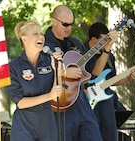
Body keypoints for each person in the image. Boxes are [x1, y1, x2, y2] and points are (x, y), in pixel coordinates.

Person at [44, 5, 103, 141]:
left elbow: (92, 74)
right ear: (53, 21)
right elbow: (40, 74)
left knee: (94, 136)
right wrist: (64, 72)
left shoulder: (75, 43)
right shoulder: (43, 44)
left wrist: (106, 49)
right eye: (65, 24)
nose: (68, 28)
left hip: (80, 101)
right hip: (58, 102)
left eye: (71, 24)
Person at [4, 19, 65, 141]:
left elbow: (57, 91)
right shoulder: (13, 67)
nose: (41, 37)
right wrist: (49, 96)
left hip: (47, 123)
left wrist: (58, 72)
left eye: (41, 34)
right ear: (24, 38)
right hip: (24, 125)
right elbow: (20, 103)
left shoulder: (49, 61)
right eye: (35, 34)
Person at [84, 22, 135, 141]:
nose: (107, 43)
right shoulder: (82, 52)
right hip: (87, 103)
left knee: (114, 131)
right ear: (93, 40)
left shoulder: (109, 56)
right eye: (104, 40)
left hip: (106, 101)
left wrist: (127, 78)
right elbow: (95, 74)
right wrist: (107, 49)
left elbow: (110, 80)